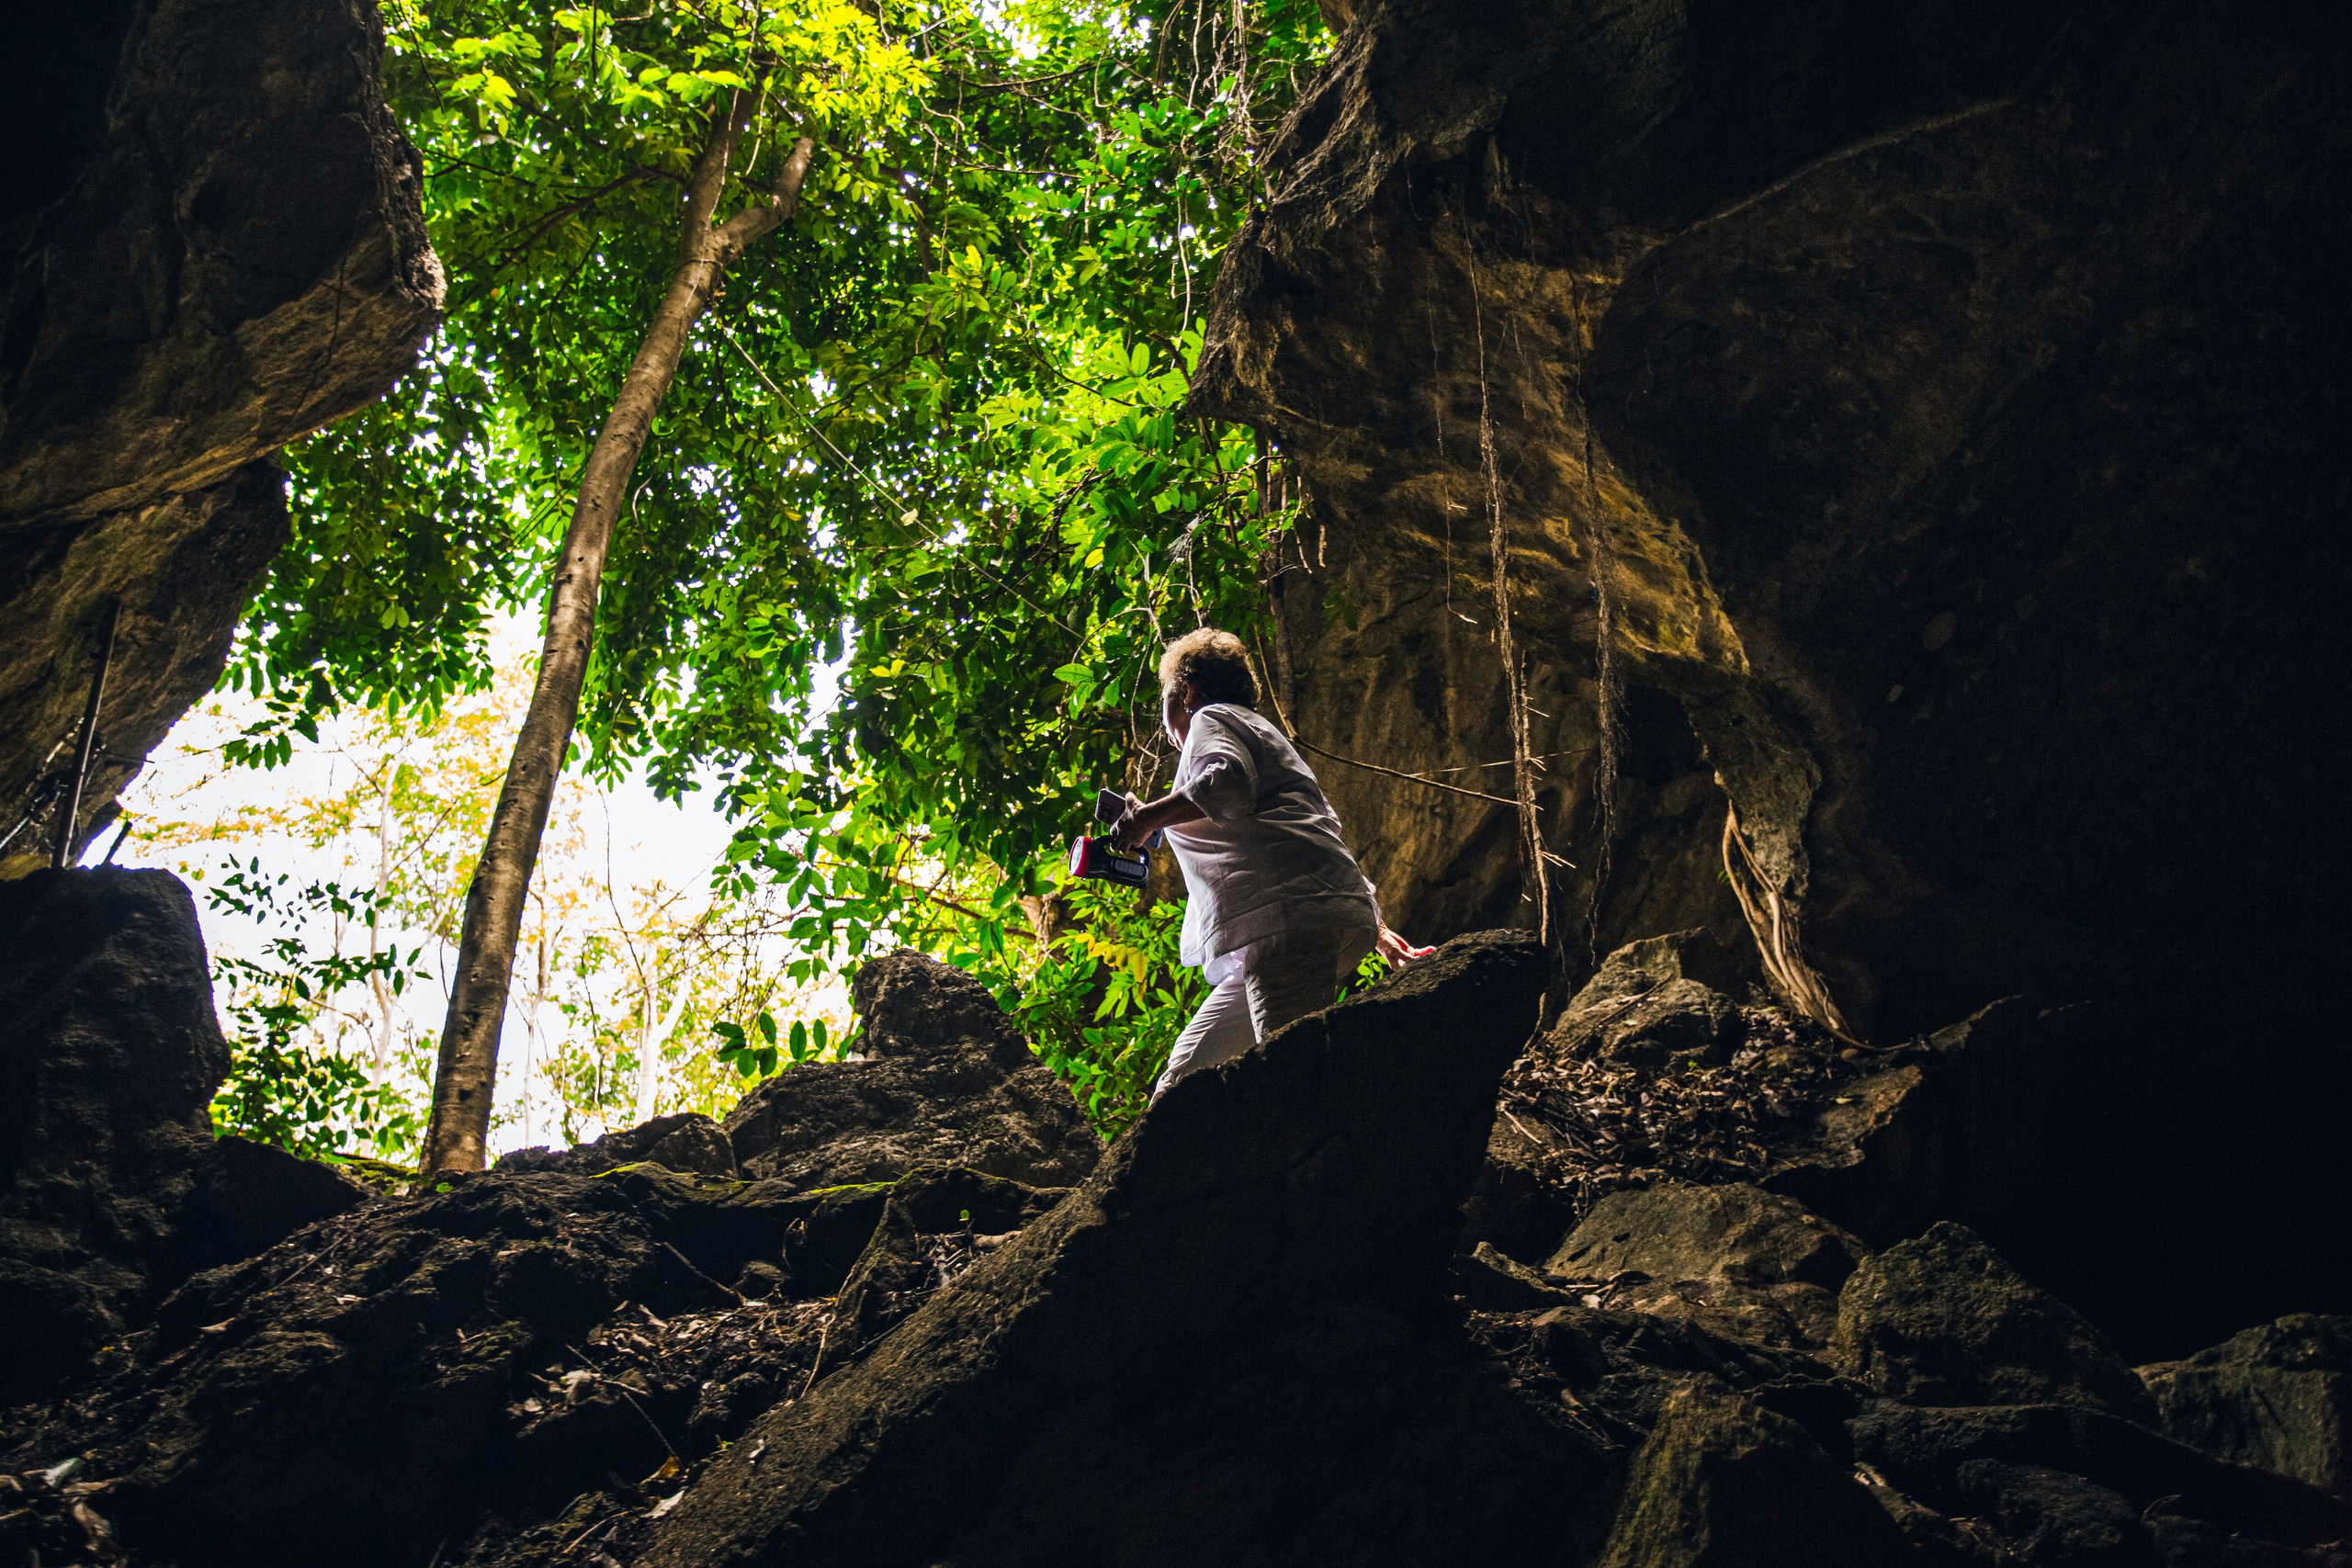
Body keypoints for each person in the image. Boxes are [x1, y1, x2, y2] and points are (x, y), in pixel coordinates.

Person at [1109, 627, 1433, 1101]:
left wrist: (1145, 820)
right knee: (1181, 1087)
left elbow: (1228, 781)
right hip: (1305, 923)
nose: (1165, 722)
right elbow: (1314, 830)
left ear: (1188, 693)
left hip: (1284, 925)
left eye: (1165, 699)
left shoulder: (1210, 718)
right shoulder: (1266, 737)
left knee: (1290, 1081)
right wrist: (1380, 933)